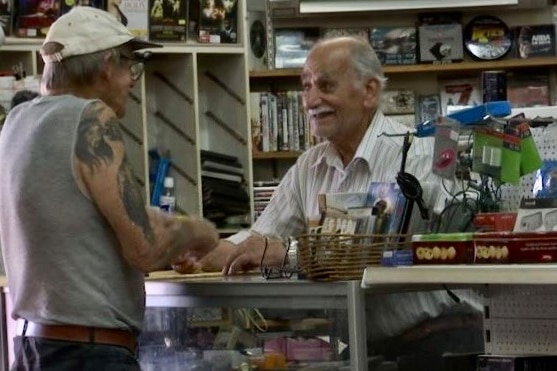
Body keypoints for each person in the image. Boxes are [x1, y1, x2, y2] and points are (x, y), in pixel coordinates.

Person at [173, 36, 484, 370]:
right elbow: (256, 243)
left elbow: (380, 251)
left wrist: (287, 253)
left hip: (443, 345)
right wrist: (197, 251)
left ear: (369, 92)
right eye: (306, 87)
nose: (310, 100)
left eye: (325, 85)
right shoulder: (309, 167)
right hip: (367, 347)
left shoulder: (418, 157)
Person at [0, 7, 219, 371]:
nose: (132, 81)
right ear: (106, 64)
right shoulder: (91, 117)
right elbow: (146, 249)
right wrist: (200, 231)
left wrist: (164, 227)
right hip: (88, 354)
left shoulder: (16, 124)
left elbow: (89, 216)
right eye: (129, 66)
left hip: (31, 348)